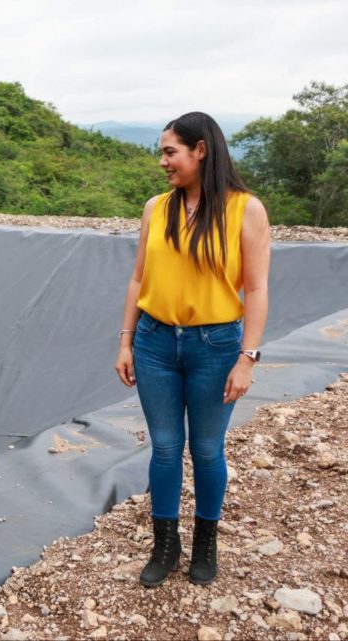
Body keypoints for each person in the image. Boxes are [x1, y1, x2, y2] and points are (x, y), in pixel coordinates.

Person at [113, 112, 271, 587]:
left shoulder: (246, 209)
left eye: (170, 152)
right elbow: (139, 277)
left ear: (200, 150)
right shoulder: (155, 208)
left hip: (216, 345)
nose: (163, 161)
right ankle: (165, 545)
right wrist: (125, 339)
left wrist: (247, 357)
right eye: (162, 152)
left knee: (205, 449)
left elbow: (258, 289)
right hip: (155, 342)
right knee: (164, 447)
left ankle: (206, 543)